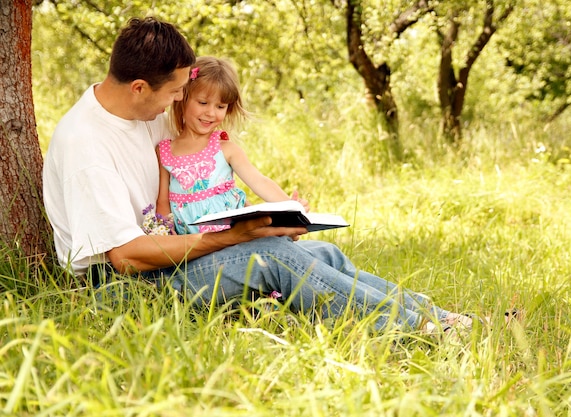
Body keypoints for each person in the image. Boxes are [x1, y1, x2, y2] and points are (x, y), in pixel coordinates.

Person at [42, 16, 473, 336]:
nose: (178, 102)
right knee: (272, 256)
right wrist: (236, 236)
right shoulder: (87, 147)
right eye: (175, 92)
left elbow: (204, 145)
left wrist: (277, 213)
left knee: (321, 254)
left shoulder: (142, 112)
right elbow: (126, 257)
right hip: (124, 289)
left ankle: (435, 316)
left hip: (170, 257)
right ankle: (417, 332)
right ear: (139, 86)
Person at [156, 56, 308, 235]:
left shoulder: (225, 149)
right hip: (192, 245)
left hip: (232, 235)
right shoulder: (166, 151)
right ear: (182, 98)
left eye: (220, 106)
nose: (211, 113)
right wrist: (168, 239)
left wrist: (290, 208)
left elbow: (259, 181)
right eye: (203, 103)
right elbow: (163, 202)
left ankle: (288, 230)